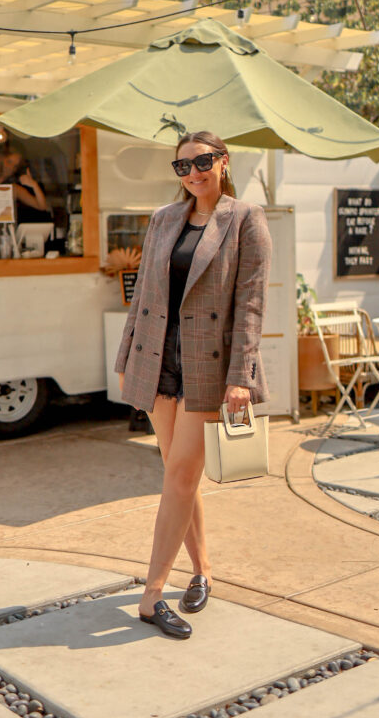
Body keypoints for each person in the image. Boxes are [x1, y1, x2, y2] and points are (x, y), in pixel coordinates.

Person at [115, 130, 272, 639]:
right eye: (183, 166)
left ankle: (152, 595)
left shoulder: (246, 219)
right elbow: (142, 298)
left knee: (180, 477)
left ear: (223, 162)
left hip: (208, 367)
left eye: (203, 162)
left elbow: (250, 306)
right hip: (157, 360)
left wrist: (241, 377)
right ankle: (202, 571)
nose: (194, 173)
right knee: (178, 476)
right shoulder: (163, 220)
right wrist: (125, 358)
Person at [0, 149, 50, 222]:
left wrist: (34, 185)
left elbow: (42, 206)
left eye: (15, 166)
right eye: (9, 162)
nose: (10, 167)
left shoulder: (14, 188)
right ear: (1, 159)